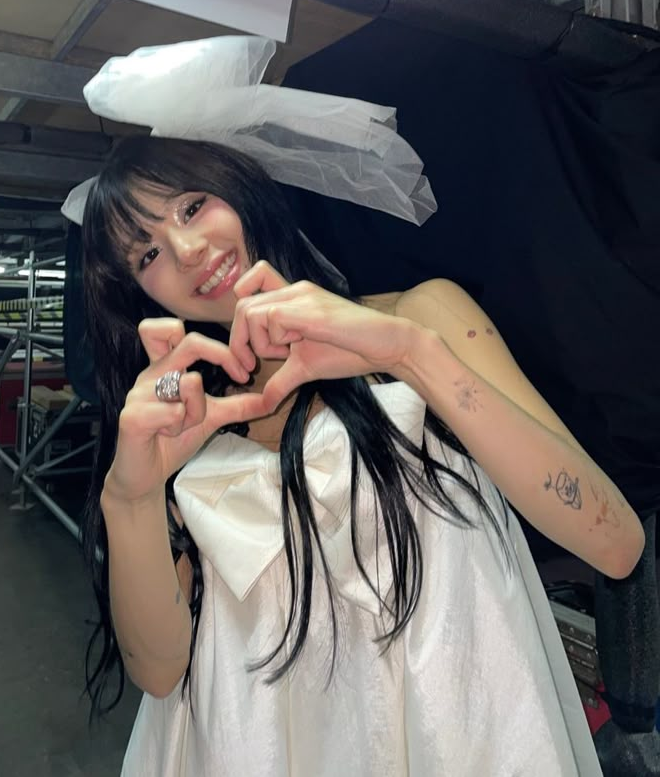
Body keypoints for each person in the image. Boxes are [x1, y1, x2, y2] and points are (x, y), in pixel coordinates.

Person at [65, 39, 644, 777]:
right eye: (144, 255)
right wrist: (130, 494)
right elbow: (159, 671)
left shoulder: (417, 320)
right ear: (137, 293)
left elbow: (616, 543)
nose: (184, 250)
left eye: (192, 204)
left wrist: (409, 356)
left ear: (238, 185)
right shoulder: (185, 428)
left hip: (452, 735)